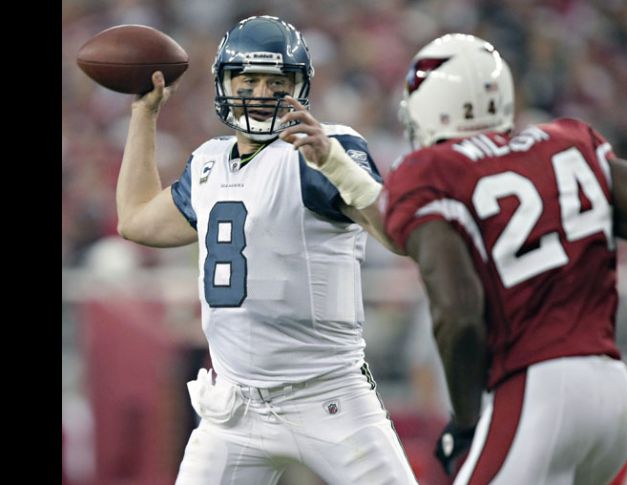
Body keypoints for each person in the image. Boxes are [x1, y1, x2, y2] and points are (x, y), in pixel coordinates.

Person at [380, 34, 627, 484]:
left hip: (538, 391)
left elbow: (459, 313)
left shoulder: (429, 172)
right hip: (615, 392)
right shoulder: (568, 142)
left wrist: (466, 418)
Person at [115, 15, 416, 485]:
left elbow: (399, 235)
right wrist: (143, 115)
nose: (259, 92)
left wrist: (336, 164)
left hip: (328, 396)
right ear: (225, 83)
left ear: (297, 88)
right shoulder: (210, 163)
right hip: (234, 409)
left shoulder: (319, 151)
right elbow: (136, 219)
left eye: (275, 81)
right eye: (248, 79)